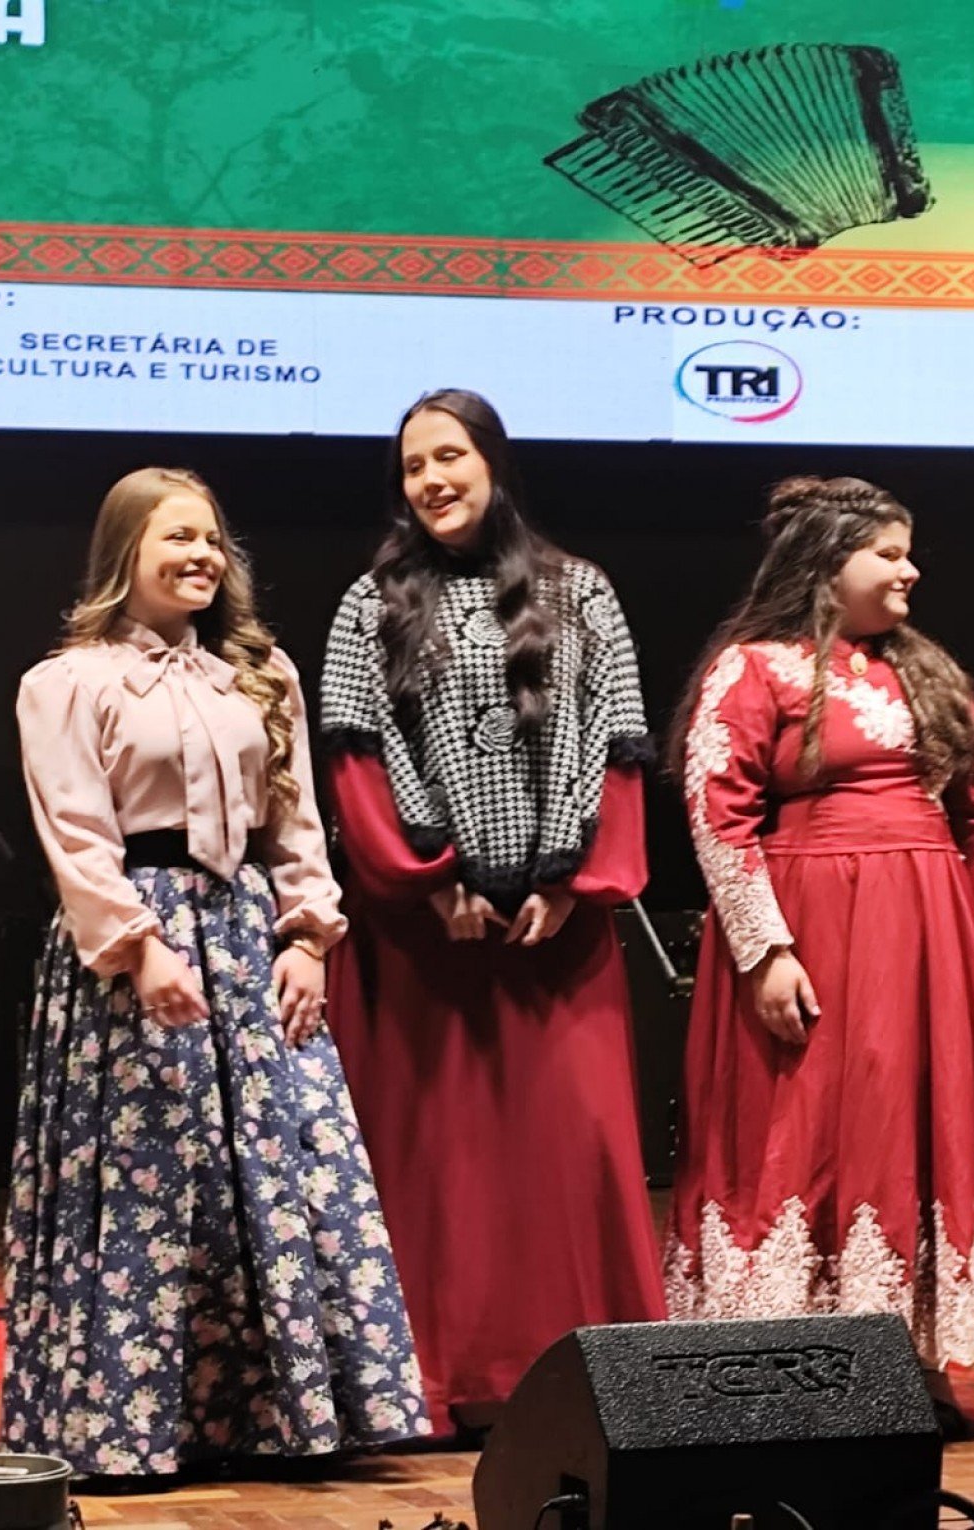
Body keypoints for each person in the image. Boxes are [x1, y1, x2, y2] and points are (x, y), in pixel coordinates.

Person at [2, 467, 427, 1481]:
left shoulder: (261, 670)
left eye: (212, 541)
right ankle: (132, 1422)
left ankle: (279, 1418)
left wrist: (309, 938)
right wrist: (140, 945)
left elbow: (295, 822)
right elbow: (76, 834)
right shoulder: (66, 683)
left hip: (244, 939)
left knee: (282, 1177)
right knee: (149, 1180)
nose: (201, 557)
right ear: (126, 556)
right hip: (131, 948)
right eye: (176, 539)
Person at [664, 475, 974, 1404]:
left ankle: (915, 1355)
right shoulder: (757, 668)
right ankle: (793, 1361)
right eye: (888, 553)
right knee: (810, 1128)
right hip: (820, 929)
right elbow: (715, 813)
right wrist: (765, 950)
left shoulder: (928, 673)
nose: (910, 570)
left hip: (927, 933)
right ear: (825, 564)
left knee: (917, 1125)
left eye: (907, 551)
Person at [318, 389, 664, 1433]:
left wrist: (572, 881)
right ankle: (441, 1379)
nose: (431, 479)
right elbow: (358, 763)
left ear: (494, 463)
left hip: (559, 939)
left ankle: (594, 1373)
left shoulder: (583, 592)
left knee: (575, 1158)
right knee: (446, 1169)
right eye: (413, 465)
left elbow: (618, 745)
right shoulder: (369, 603)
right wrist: (433, 880)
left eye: (450, 456)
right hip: (435, 943)